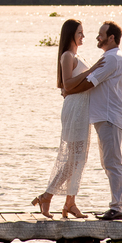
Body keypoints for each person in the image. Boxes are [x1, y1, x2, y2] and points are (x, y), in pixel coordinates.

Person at [31, 19, 102, 219]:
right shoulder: (67, 56)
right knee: (72, 157)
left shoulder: (76, 56)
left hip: (82, 109)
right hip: (74, 109)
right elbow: (68, 86)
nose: (83, 36)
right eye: (80, 32)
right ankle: (50, 198)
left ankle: (67, 201)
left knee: (79, 157)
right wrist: (92, 70)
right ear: (70, 33)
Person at [63, 20, 122, 221]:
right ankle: (118, 206)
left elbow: (89, 82)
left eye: (101, 35)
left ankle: (118, 207)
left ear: (111, 38)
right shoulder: (109, 57)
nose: (97, 37)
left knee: (112, 162)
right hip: (106, 117)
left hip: (110, 117)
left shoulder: (111, 59)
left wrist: (68, 89)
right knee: (109, 162)